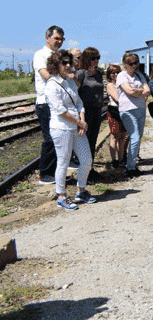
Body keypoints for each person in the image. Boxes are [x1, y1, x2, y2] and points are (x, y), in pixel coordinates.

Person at [44, 50, 98, 210]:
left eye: (69, 62)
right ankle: (61, 195)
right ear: (55, 65)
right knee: (63, 161)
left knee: (87, 160)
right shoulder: (52, 85)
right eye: (64, 63)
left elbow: (79, 103)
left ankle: (81, 190)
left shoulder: (69, 82)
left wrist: (81, 120)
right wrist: (79, 123)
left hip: (76, 126)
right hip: (62, 128)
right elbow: (60, 110)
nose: (68, 66)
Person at [33, 25, 65, 185]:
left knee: (59, 137)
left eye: (61, 39)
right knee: (50, 139)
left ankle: (55, 173)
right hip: (45, 102)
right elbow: (46, 75)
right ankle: (45, 174)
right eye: (56, 38)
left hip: (58, 101)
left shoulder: (59, 56)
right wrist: (64, 76)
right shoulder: (40, 55)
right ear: (47, 38)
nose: (59, 42)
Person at [116, 52, 150, 178]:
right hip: (128, 110)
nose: (134, 66)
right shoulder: (122, 76)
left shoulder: (139, 75)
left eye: (136, 63)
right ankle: (129, 166)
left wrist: (137, 92)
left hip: (140, 109)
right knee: (134, 137)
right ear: (125, 65)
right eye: (131, 63)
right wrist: (139, 92)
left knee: (138, 137)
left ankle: (132, 164)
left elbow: (147, 91)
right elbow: (129, 91)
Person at [74, 47, 103, 182]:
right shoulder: (81, 74)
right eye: (93, 58)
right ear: (87, 59)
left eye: (98, 58)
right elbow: (75, 95)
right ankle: (84, 171)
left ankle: (90, 169)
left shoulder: (98, 74)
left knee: (92, 141)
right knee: (85, 142)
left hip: (97, 111)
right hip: (86, 112)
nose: (96, 61)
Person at [105, 65, 127, 168]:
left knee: (122, 137)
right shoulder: (110, 85)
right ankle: (114, 160)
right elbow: (118, 98)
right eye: (113, 73)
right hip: (113, 111)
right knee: (114, 136)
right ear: (109, 75)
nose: (115, 75)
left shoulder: (121, 84)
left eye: (117, 72)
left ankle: (121, 159)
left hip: (123, 111)